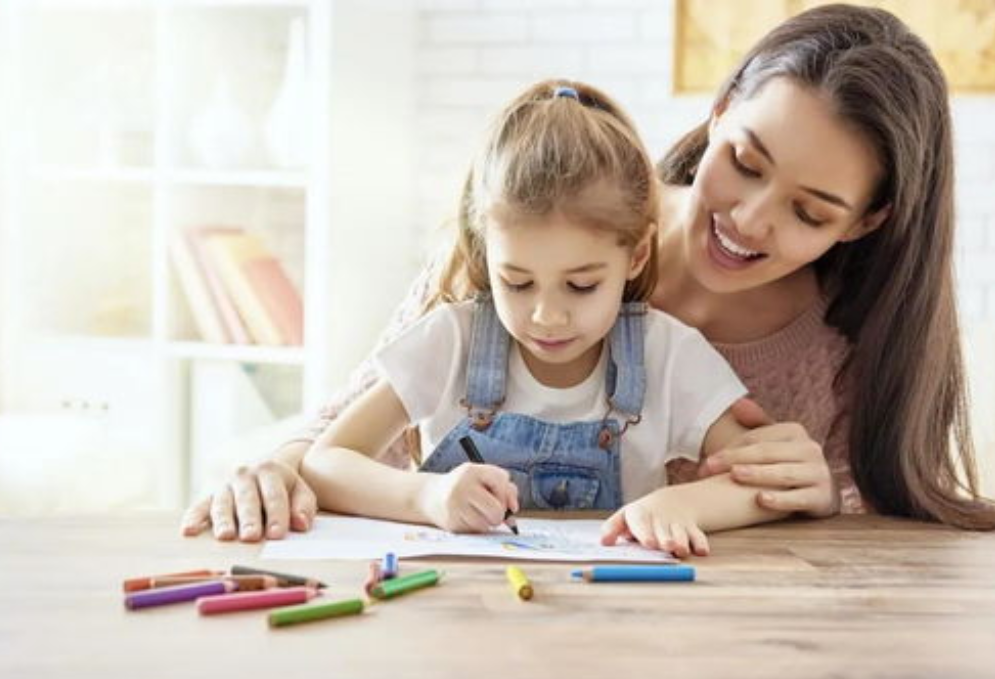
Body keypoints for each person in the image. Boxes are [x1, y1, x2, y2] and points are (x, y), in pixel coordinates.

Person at [182, 3, 995, 543]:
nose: (750, 219)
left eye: (809, 213)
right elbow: (342, 428)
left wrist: (815, 498)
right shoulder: (552, 219)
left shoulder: (840, 346)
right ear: (716, 114)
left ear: (866, 221)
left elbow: (865, 538)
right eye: (744, 161)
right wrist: (273, 468)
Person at [296, 80, 788, 556]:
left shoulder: (668, 355)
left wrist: (683, 503)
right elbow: (326, 462)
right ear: (486, 253)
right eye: (516, 282)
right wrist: (427, 496)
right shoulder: (452, 341)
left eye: (581, 285)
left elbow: (762, 482)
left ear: (636, 256)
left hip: (612, 609)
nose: (546, 316)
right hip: (458, 611)